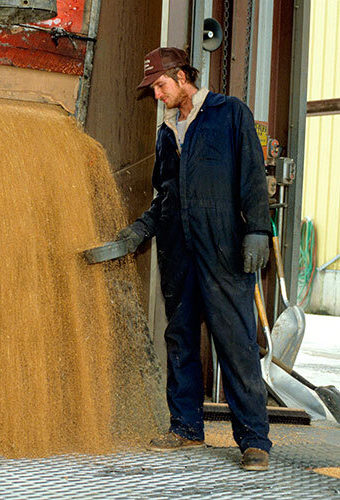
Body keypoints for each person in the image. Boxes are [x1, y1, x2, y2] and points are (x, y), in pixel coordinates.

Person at [117, 47, 272, 471]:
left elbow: (252, 177)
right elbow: (166, 196)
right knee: (181, 339)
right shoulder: (168, 132)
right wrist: (140, 229)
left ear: (184, 76)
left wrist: (259, 229)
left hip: (222, 248)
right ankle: (186, 428)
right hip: (179, 251)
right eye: (153, 90)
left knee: (236, 342)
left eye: (161, 85)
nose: (157, 95)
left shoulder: (229, 114)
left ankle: (254, 439)